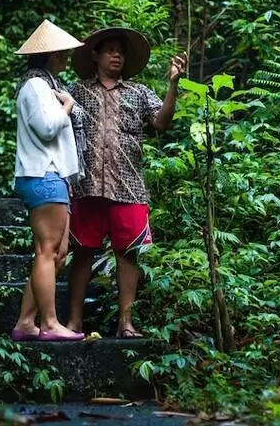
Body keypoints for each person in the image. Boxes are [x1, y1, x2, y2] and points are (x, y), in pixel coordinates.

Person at [65, 27, 187, 338]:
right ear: (96, 55)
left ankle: (126, 322)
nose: (117, 55)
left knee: (127, 252)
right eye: (110, 50)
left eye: (121, 51)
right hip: (85, 183)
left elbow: (161, 121)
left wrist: (173, 84)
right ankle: (74, 321)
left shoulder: (139, 92)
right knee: (81, 251)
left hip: (129, 184)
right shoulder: (75, 91)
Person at [10, 19, 87, 342]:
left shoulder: (47, 83)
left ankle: (27, 322)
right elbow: (46, 127)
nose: (66, 57)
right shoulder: (36, 86)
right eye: (62, 53)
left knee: (56, 253)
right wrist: (67, 106)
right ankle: (51, 323)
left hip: (52, 174)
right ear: (50, 55)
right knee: (47, 250)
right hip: (43, 173)